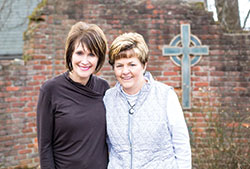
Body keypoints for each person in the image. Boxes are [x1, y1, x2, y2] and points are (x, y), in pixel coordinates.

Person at [104, 32, 191, 169]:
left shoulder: (165, 96)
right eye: (119, 65)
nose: (125, 71)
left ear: (144, 65)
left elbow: (181, 145)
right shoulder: (108, 99)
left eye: (132, 64)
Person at [36, 21, 109, 169]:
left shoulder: (104, 88)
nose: (85, 61)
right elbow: (45, 146)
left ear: (98, 58)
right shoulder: (50, 90)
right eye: (79, 53)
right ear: (70, 54)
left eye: (92, 54)